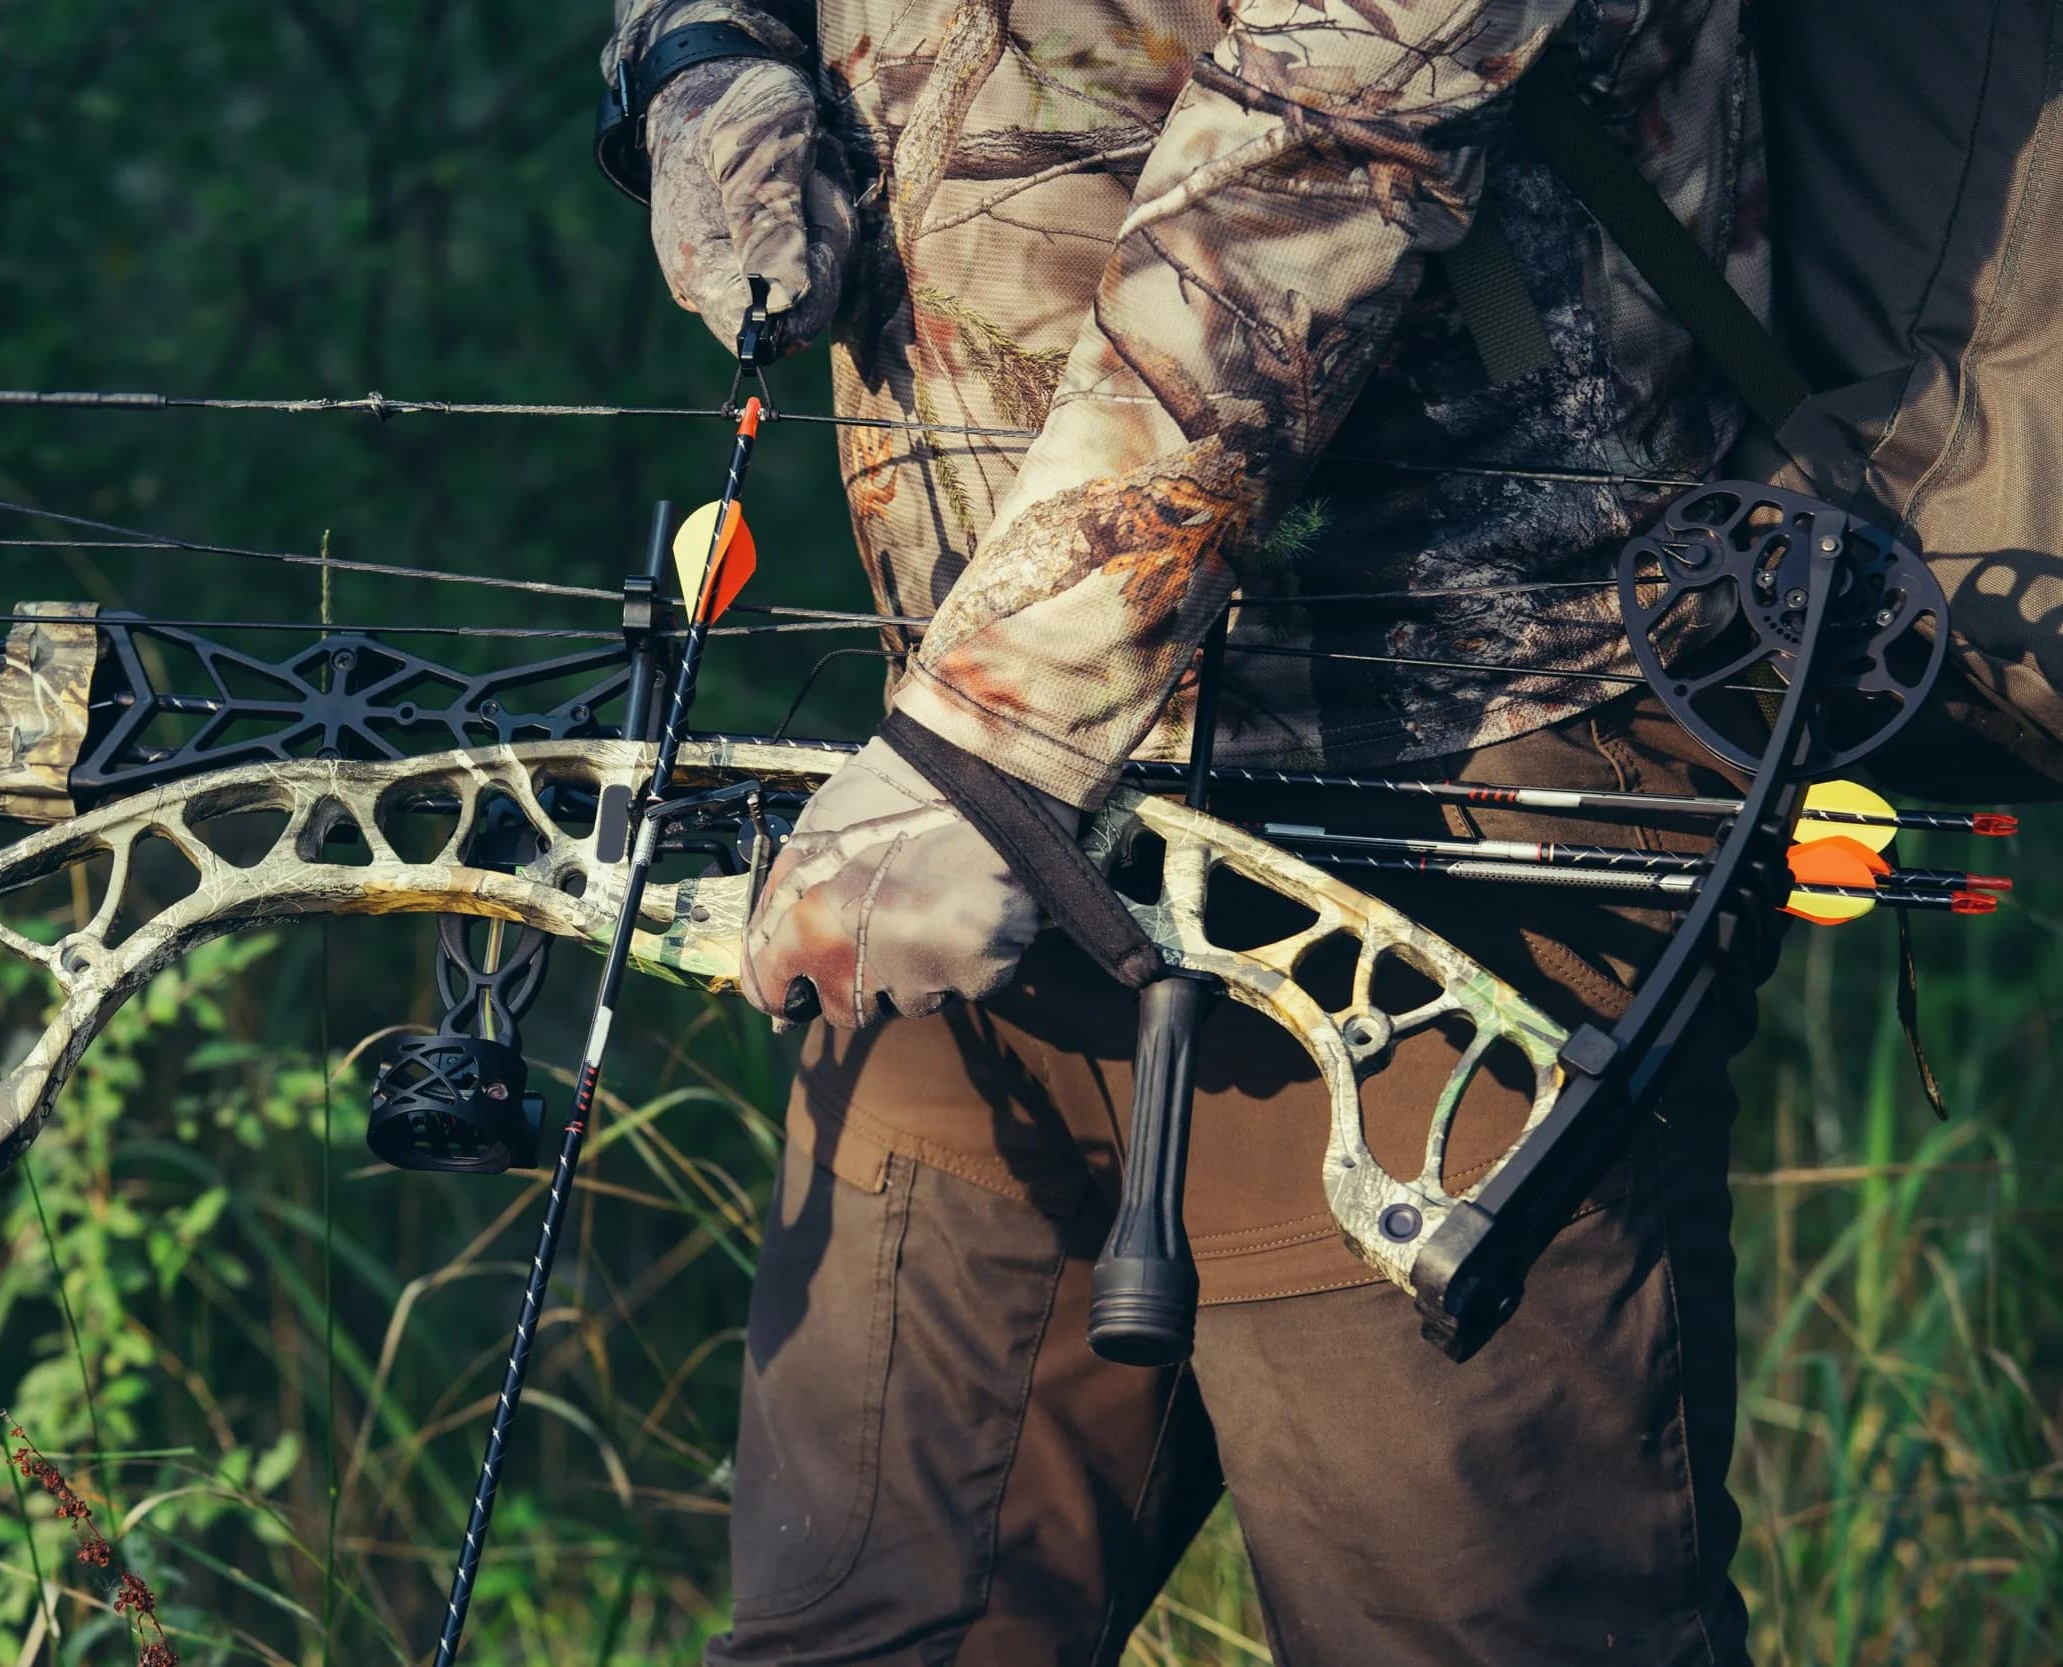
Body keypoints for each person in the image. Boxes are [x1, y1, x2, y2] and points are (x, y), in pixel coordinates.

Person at [602, 2, 1766, 1661]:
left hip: (1443, 800)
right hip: (969, 809)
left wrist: (998, 732)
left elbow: (1332, 136)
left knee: (1457, 1625)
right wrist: (708, 56)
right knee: (868, 1633)